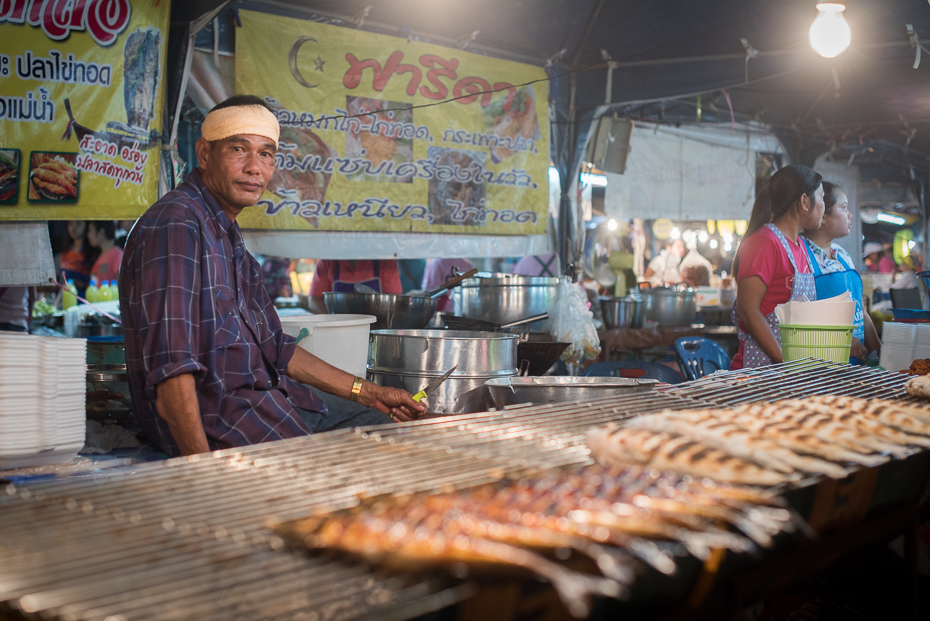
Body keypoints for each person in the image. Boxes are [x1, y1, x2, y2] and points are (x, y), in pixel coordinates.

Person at [119, 95, 424, 457]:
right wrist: (203, 473)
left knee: (395, 432)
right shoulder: (177, 224)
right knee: (383, 460)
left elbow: (277, 348)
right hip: (230, 430)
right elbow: (172, 373)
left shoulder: (228, 237)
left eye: (266, 154)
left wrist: (372, 393)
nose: (255, 168)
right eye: (238, 149)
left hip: (274, 405)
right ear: (204, 154)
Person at [730, 164, 824, 369]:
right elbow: (748, 310)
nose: (823, 205)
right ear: (804, 201)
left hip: (793, 370)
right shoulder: (764, 242)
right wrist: (783, 359)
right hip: (760, 373)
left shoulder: (803, 248)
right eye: (822, 197)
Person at [801, 182, 880, 360]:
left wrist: (878, 350)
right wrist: (839, 339)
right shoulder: (801, 255)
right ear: (823, 216)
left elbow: (859, 309)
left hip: (854, 367)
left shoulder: (843, 255)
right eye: (843, 207)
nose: (850, 214)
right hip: (821, 366)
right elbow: (798, 316)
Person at [307, 259, 403, 314]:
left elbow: (395, 302)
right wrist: (334, 321)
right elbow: (314, 301)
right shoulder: (327, 262)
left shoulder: (386, 262)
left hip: (374, 329)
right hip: (338, 329)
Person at [58, 220, 98, 297]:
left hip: (82, 297)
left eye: (78, 224)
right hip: (64, 296)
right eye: (71, 224)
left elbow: (96, 281)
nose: (73, 228)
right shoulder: (64, 252)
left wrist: (82, 284)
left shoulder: (91, 253)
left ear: (86, 227)